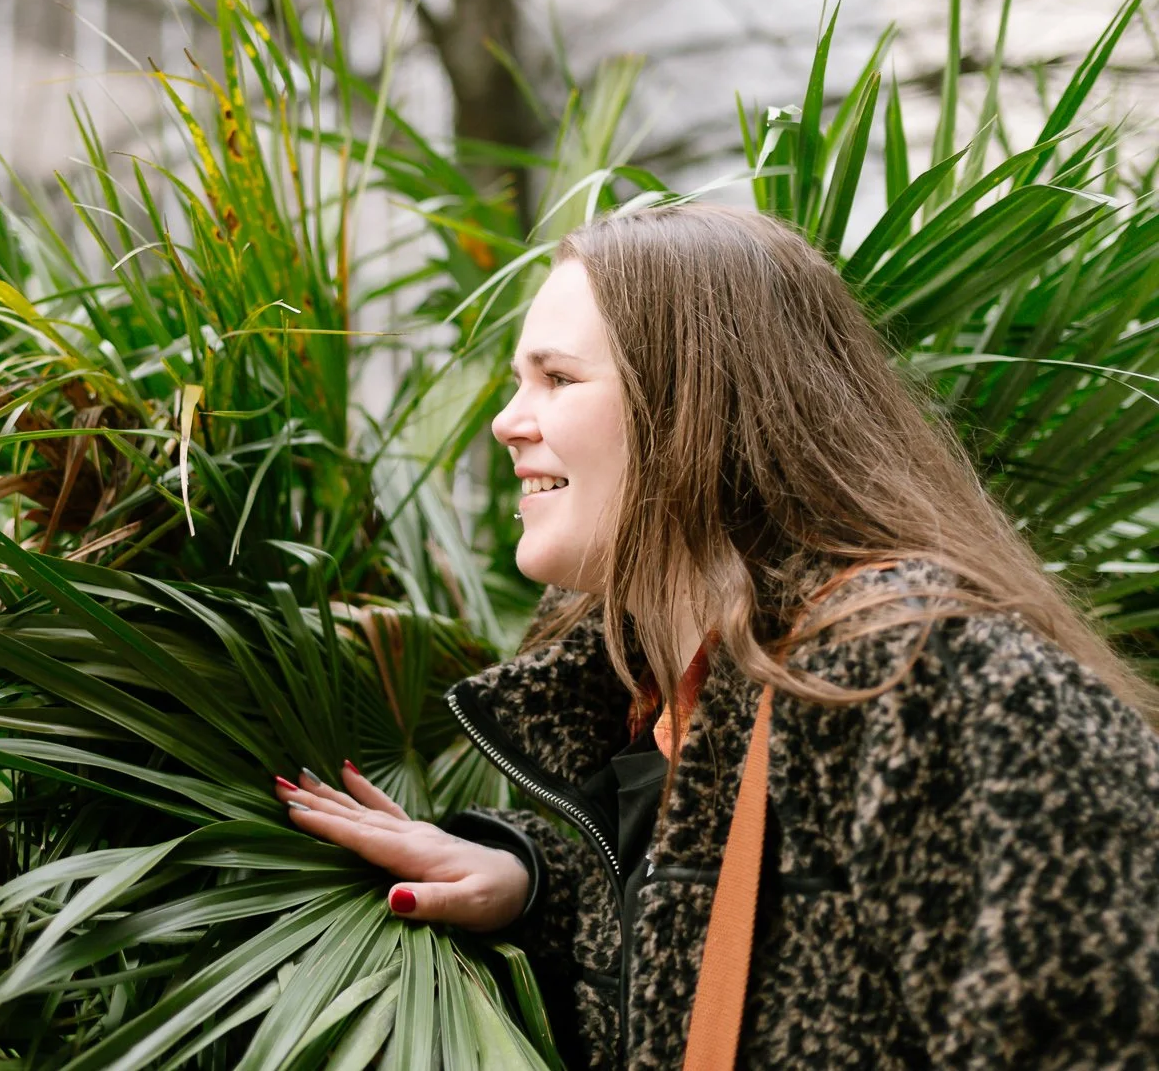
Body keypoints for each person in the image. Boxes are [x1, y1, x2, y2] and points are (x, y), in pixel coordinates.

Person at [275, 204, 1159, 1069]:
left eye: (557, 378)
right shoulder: (650, 691)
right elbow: (726, 933)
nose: (508, 420)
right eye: (517, 381)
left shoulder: (922, 666)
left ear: (693, 403)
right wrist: (537, 880)